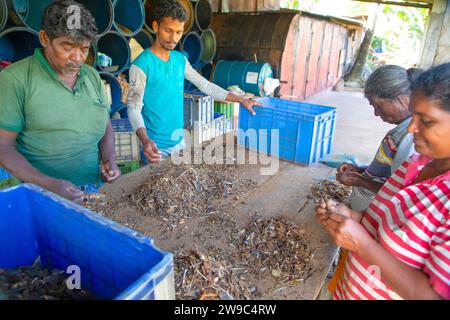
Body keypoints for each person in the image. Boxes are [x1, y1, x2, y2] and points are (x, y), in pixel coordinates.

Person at [316, 62, 450, 300]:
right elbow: (387, 218)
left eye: (426, 121)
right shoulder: (416, 163)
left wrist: (362, 245)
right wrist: (352, 216)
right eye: (413, 116)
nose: (411, 129)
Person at [0, 0, 120, 201]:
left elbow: (105, 123)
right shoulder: (15, 80)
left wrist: (109, 161)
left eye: (84, 48)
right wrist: (49, 184)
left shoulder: (92, 77)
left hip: (93, 190)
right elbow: (3, 148)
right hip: (41, 195)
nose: (77, 57)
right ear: (45, 38)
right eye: (68, 46)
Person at [127, 0, 262, 163]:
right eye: (168, 30)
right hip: (155, 148)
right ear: (156, 27)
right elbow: (134, 108)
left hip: (179, 142)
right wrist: (145, 140)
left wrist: (241, 100)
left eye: (178, 32)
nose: (173, 38)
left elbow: (205, 85)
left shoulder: (179, 60)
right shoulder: (141, 65)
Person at [337, 65, 417, 211]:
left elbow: (401, 192)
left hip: (377, 214)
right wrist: (361, 170)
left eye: (379, 106)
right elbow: (391, 173)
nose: (376, 113)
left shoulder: (410, 138)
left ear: (400, 99)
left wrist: (358, 180)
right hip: (364, 205)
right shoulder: (401, 131)